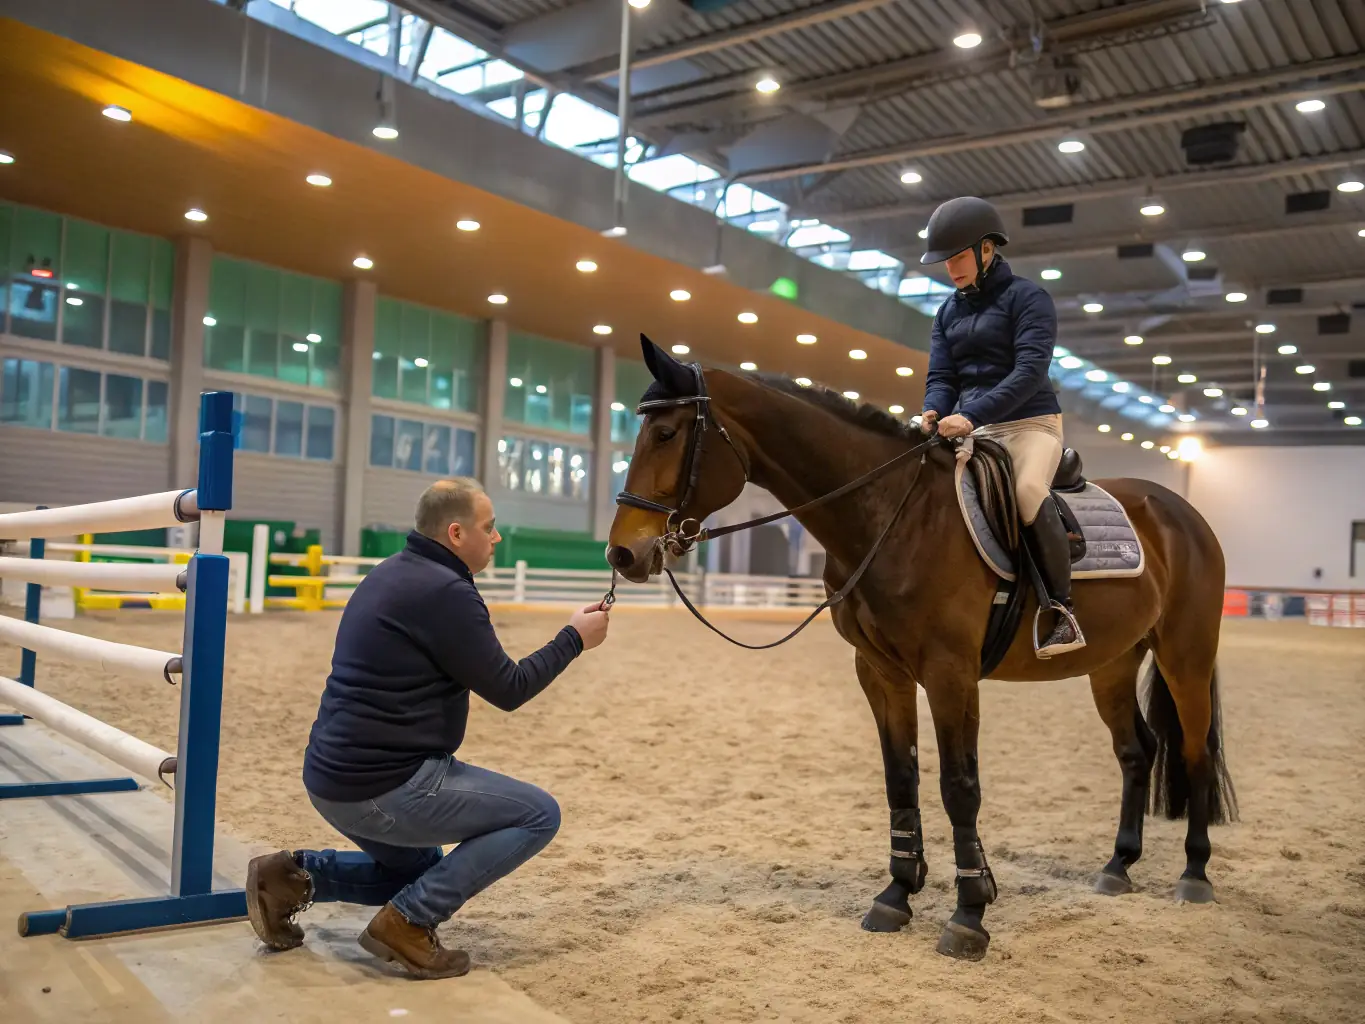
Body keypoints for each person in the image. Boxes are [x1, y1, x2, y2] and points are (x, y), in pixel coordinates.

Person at [243, 478, 611, 979]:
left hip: (332, 778)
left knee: (420, 870)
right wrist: (573, 639)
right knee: (538, 815)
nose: (497, 538)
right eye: (490, 527)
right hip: (383, 786)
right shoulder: (446, 592)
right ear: (456, 533)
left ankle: (289, 878)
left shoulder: (392, 572)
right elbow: (510, 688)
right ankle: (409, 924)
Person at [917, 195, 1085, 659]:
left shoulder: (1028, 298)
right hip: (974, 429)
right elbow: (942, 376)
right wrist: (933, 409)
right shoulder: (947, 312)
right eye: (945, 260)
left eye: (957, 257)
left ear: (986, 250)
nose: (950, 269)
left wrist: (972, 414)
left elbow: (1030, 370)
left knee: (1028, 492)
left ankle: (1061, 609)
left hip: (1031, 422)